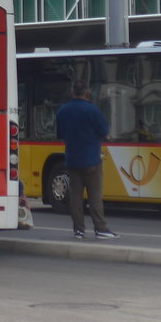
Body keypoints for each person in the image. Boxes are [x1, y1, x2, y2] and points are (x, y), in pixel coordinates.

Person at [55, 80, 119, 240]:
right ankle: (101, 228)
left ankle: (78, 230)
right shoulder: (92, 110)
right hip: (91, 159)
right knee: (95, 196)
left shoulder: (63, 111)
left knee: (75, 196)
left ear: (72, 92)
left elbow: (60, 134)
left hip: (72, 159)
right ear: (87, 93)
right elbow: (104, 131)